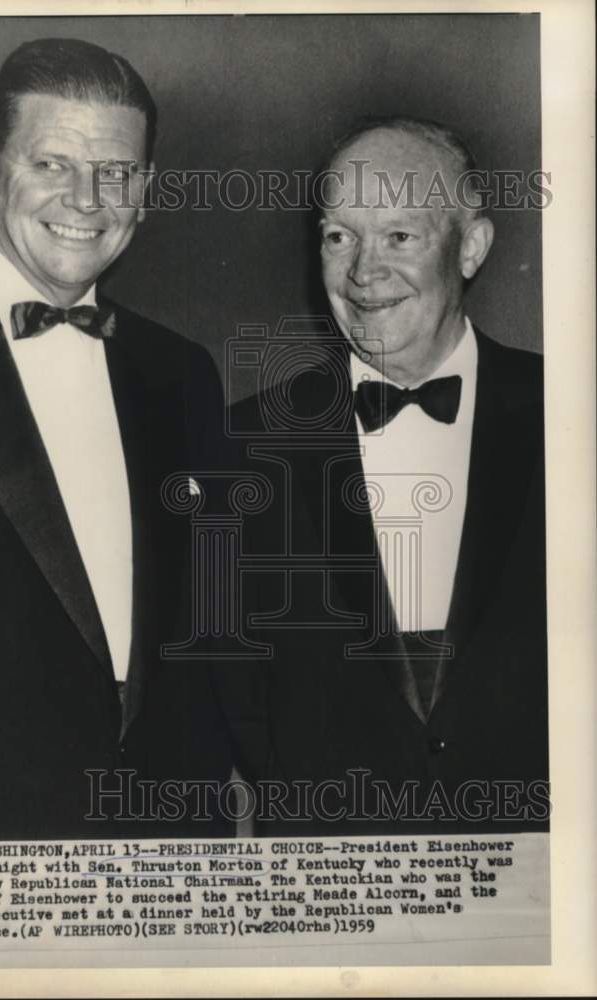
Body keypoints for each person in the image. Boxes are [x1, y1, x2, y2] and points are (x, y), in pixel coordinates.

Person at [0, 38, 233, 840]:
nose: (87, 199)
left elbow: (206, 640)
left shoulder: (181, 373)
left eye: (115, 172)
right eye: (51, 163)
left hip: (166, 855)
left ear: (144, 191)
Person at [231, 117, 548, 834]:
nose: (363, 271)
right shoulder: (247, 444)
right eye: (339, 236)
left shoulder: (572, 416)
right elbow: (231, 694)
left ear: (471, 248)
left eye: (399, 237)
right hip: (331, 893)